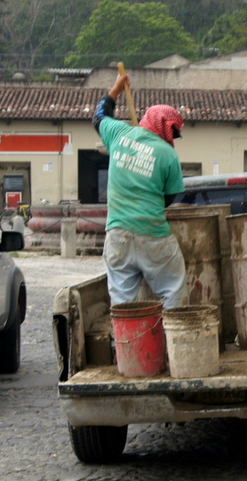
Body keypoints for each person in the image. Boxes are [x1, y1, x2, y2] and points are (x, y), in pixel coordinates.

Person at [92, 73, 188, 309]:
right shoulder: (168, 155)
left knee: (121, 303)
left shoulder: (118, 133)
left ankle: (123, 345)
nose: (173, 137)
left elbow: (99, 117)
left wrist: (115, 89)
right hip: (153, 235)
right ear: (165, 128)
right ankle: (173, 341)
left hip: (117, 235)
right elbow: (168, 198)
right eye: (173, 132)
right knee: (173, 290)